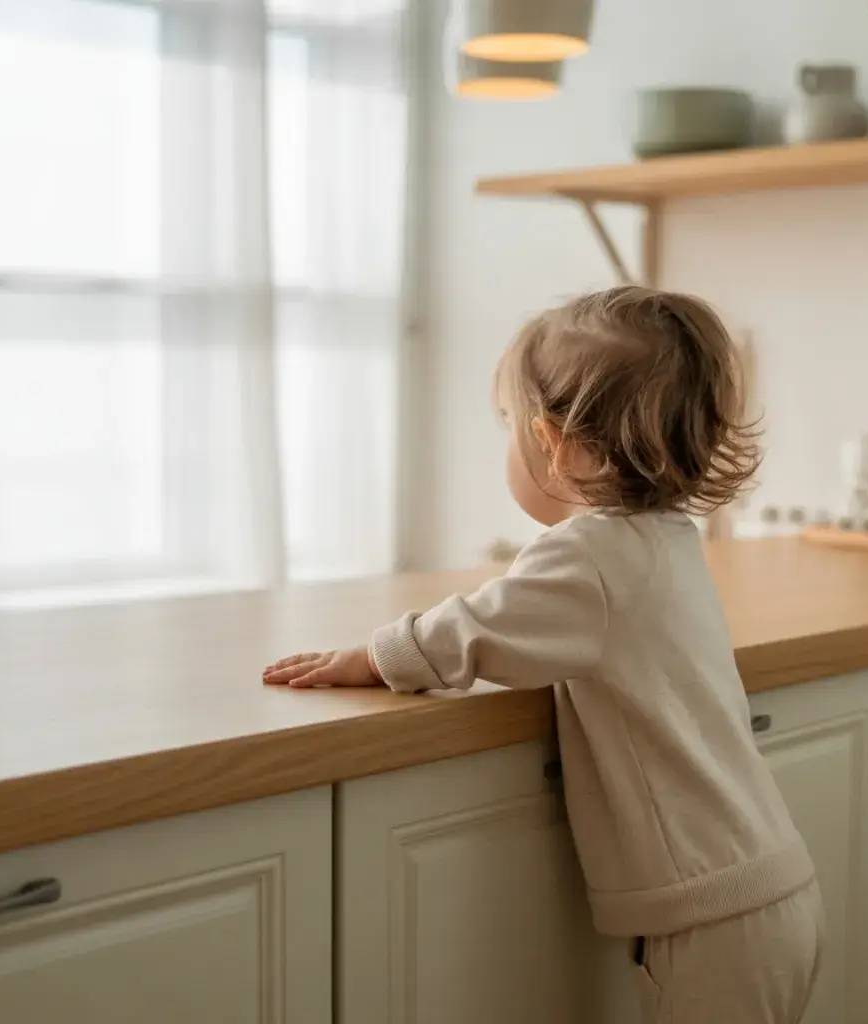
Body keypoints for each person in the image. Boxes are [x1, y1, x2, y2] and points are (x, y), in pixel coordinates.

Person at [264, 286, 824, 1024]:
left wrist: (375, 657)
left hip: (709, 919)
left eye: (508, 429)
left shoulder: (589, 553)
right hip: (764, 887)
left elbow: (474, 629)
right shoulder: (666, 540)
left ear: (554, 442)